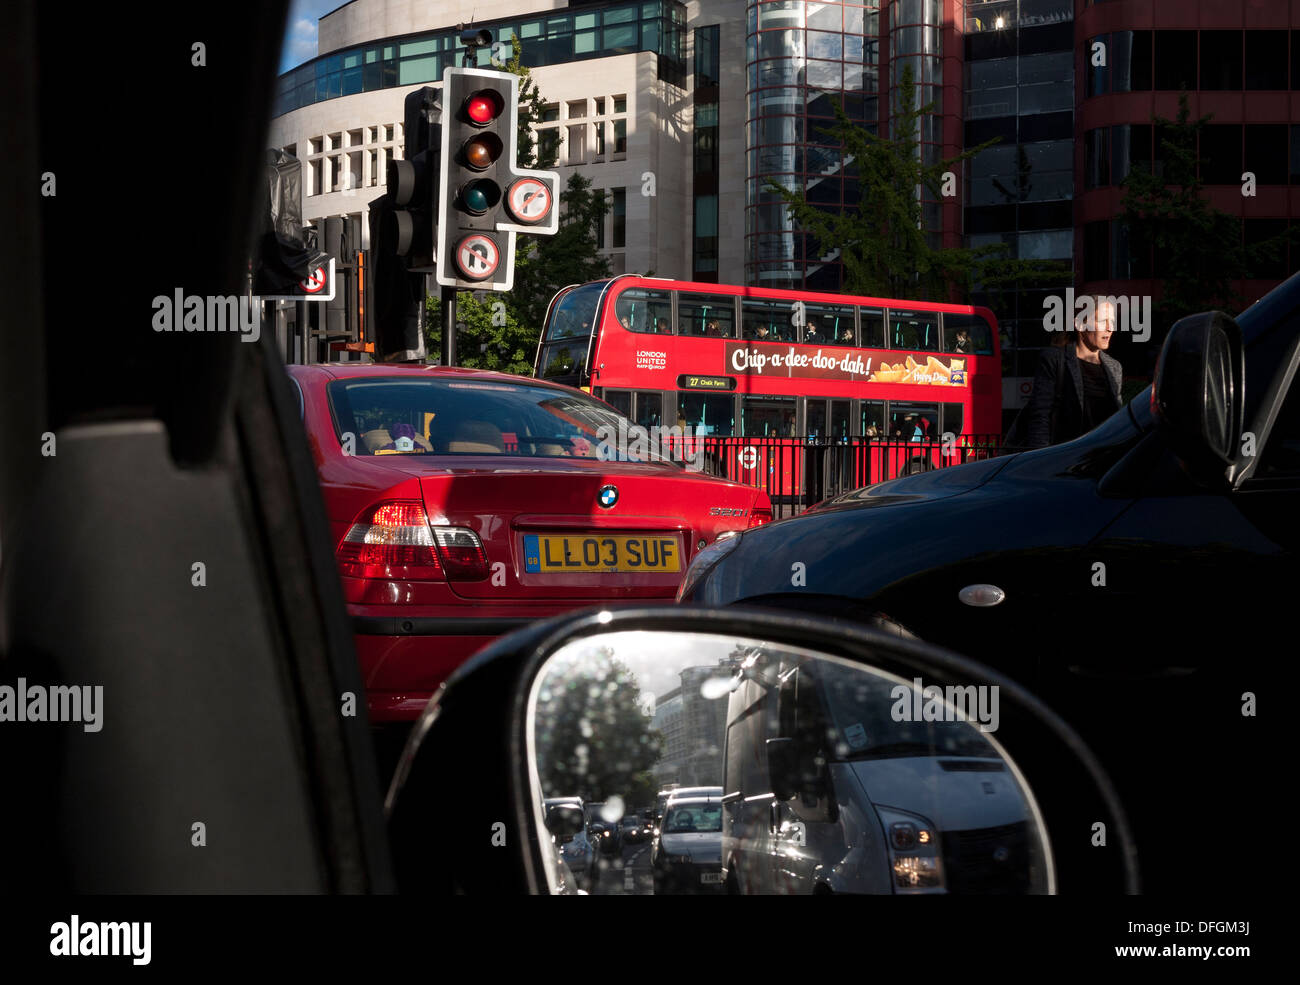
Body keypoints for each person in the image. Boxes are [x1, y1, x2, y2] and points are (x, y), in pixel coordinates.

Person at [1022, 297, 1121, 449]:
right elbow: (1040, 417)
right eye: (1102, 321)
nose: (1110, 328)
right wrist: (1041, 462)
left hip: (1102, 460)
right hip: (1064, 459)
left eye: (1112, 321)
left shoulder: (1114, 368)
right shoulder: (1054, 360)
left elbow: (1116, 420)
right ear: (1080, 324)